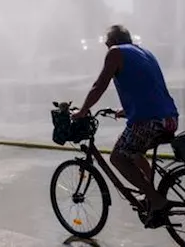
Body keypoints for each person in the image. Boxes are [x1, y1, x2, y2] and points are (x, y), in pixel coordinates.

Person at [74, 25, 179, 229]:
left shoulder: (116, 53)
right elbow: (146, 87)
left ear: (112, 42)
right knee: (135, 152)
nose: (106, 48)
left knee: (117, 157)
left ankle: (156, 200)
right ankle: (151, 195)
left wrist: (83, 110)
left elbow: (100, 85)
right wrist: (126, 109)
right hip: (169, 119)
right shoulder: (144, 52)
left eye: (106, 44)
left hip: (149, 121)